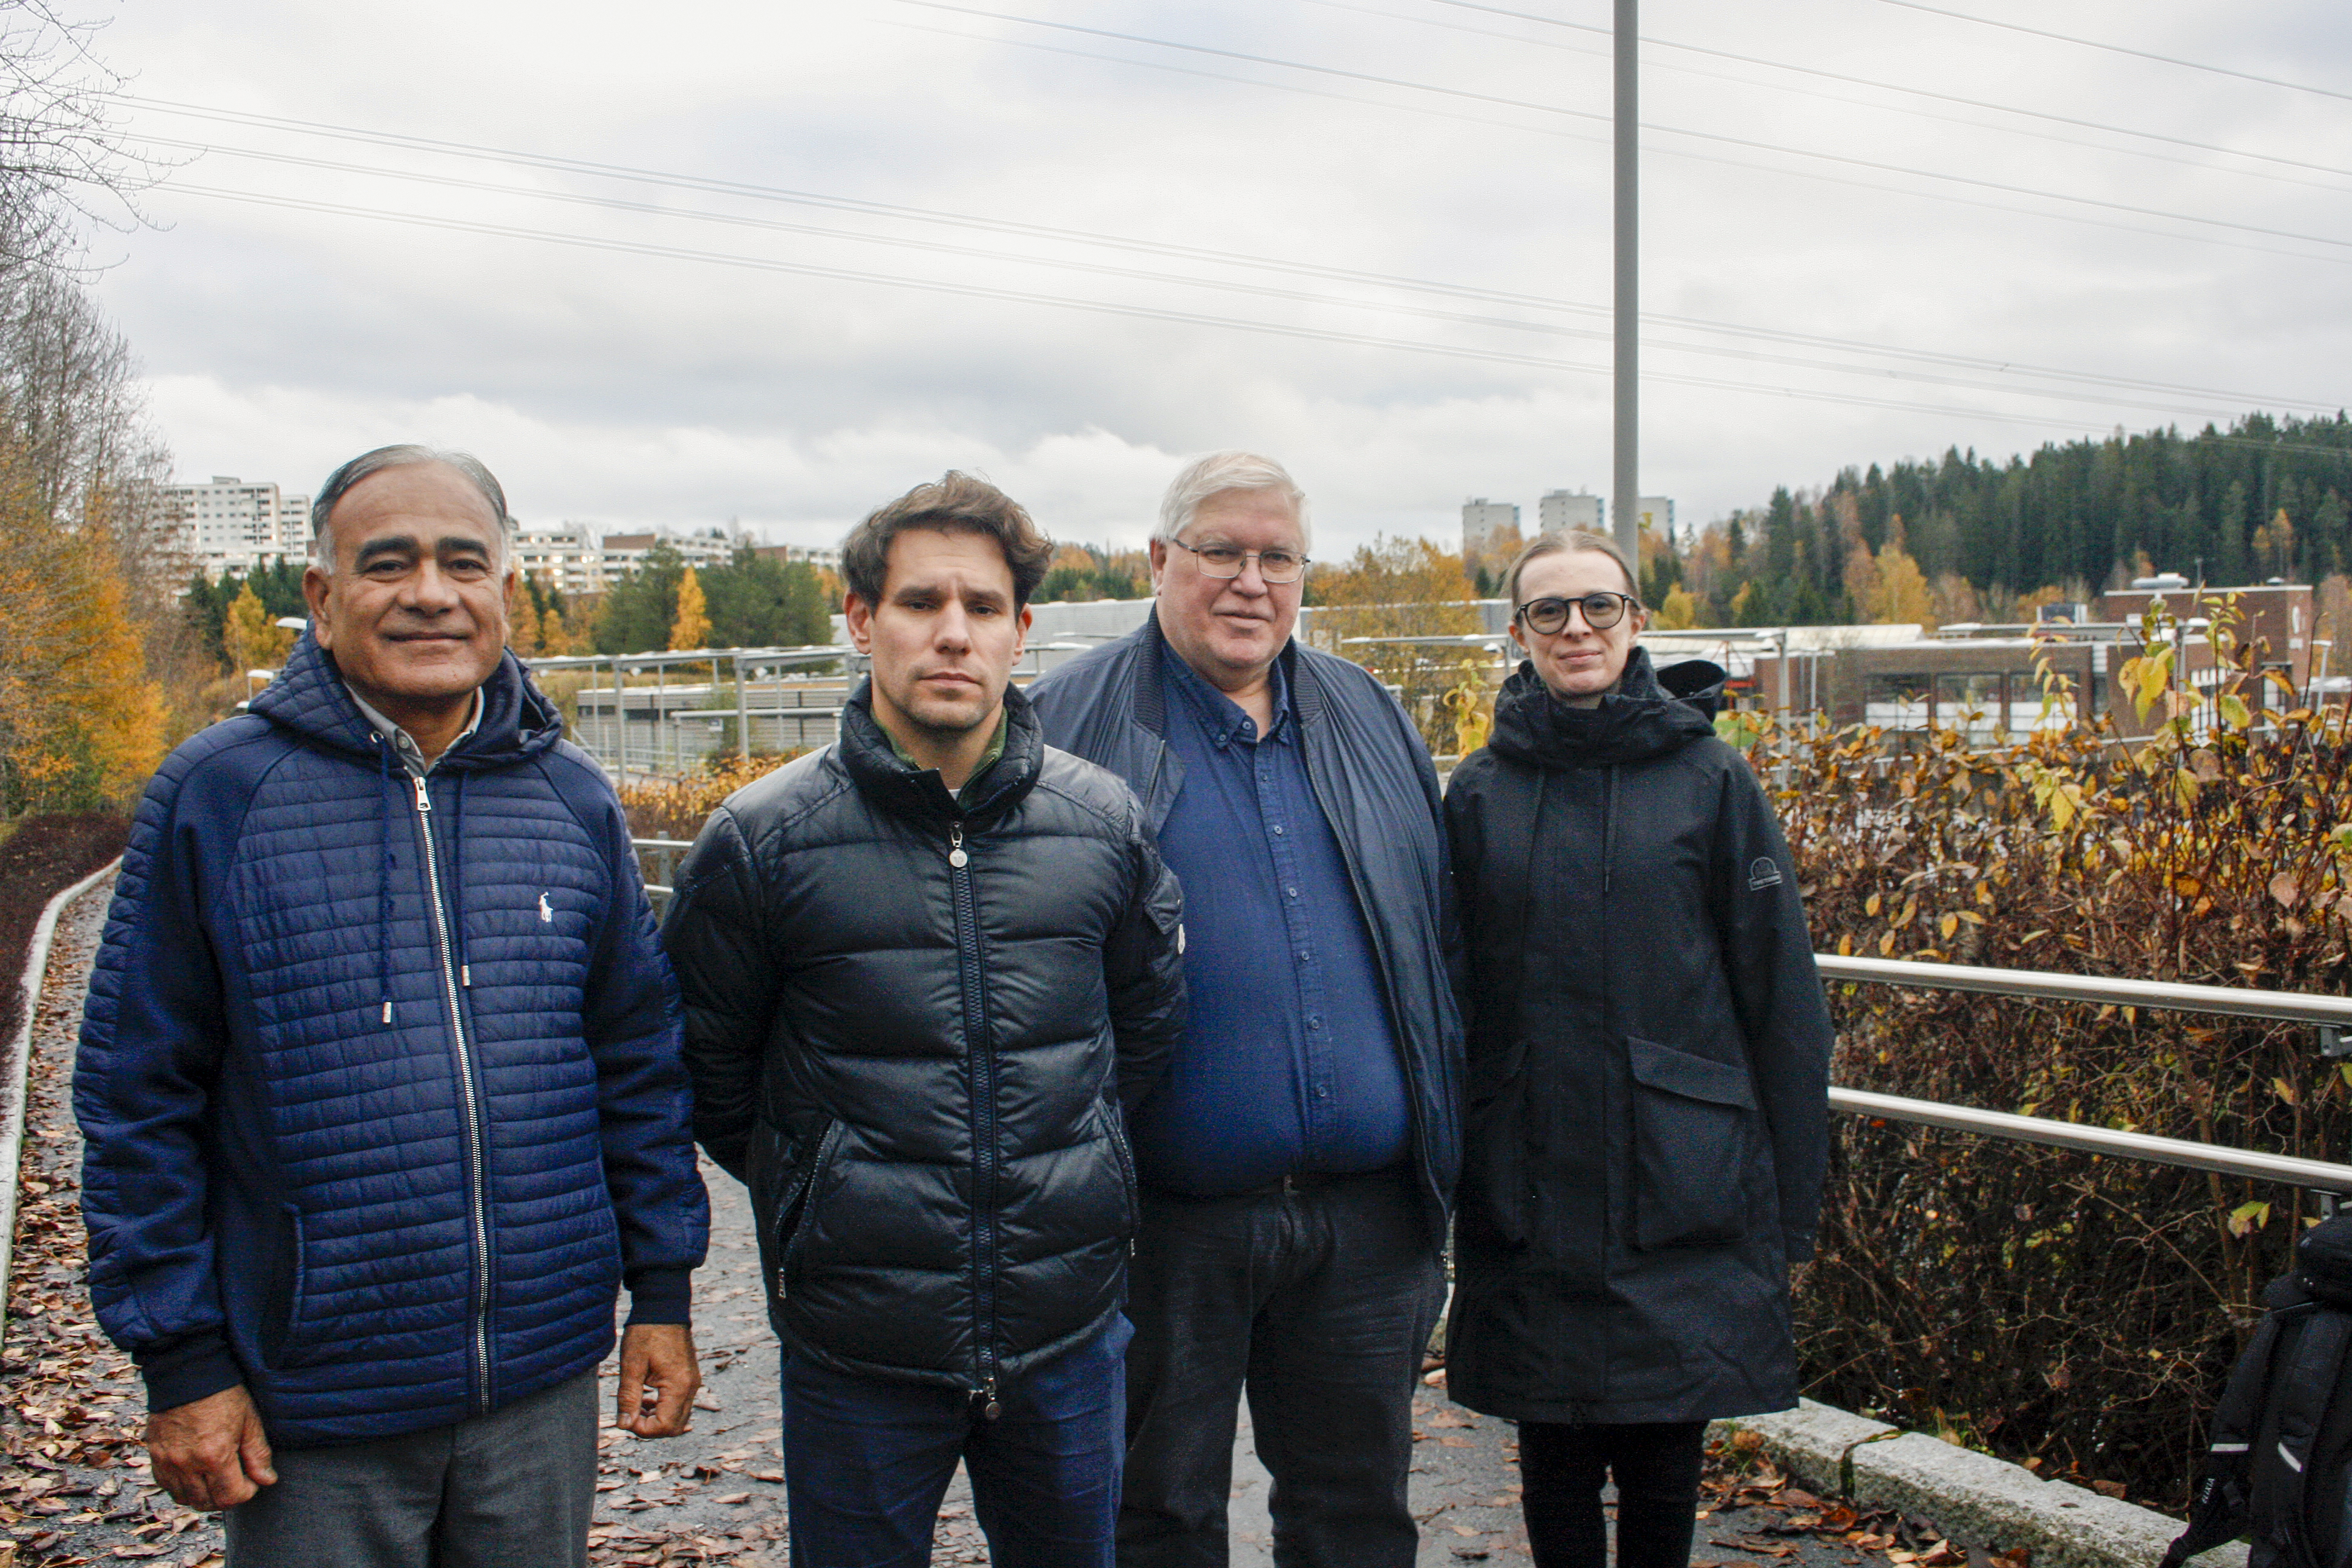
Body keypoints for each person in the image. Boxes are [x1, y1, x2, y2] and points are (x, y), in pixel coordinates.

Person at [75, 445, 710, 1566]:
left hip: (538, 1386)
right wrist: (181, 1363)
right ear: (322, 600)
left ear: (507, 596)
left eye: (463, 563)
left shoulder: (569, 799)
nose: (430, 592)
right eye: (388, 563)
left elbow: (637, 1063)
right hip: (316, 1406)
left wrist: (661, 1292)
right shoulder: (219, 797)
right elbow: (138, 1102)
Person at [663, 472, 1187, 1568]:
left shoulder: (1103, 827)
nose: (953, 634)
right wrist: (835, 1188)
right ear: (862, 620)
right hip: (861, 1352)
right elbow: (716, 1081)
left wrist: (1059, 1167)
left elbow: (1139, 1036)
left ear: (1021, 631)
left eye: (983, 608)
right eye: (920, 603)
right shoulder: (762, 843)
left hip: (1067, 1333)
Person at [1027, 451, 1463, 1568]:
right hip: (1160, 1224)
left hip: (1367, 1224)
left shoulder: (1367, 715)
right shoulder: (1060, 730)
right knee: (1156, 1515)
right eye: (1222, 551)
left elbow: (1440, 939)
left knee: (1358, 1513)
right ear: (1160, 560)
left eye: (1279, 558)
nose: (1251, 581)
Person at [1442, 529, 1831, 1568]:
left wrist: (1793, 1207)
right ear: (1518, 634)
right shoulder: (1479, 792)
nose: (1578, 628)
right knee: (1554, 1459)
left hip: (1684, 1190)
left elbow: (1781, 1000)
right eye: (1550, 611)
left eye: (1599, 606)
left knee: (1666, 1461)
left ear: (1638, 621)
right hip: (1530, 1185)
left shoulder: (1711, 780)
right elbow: (1450, 996)